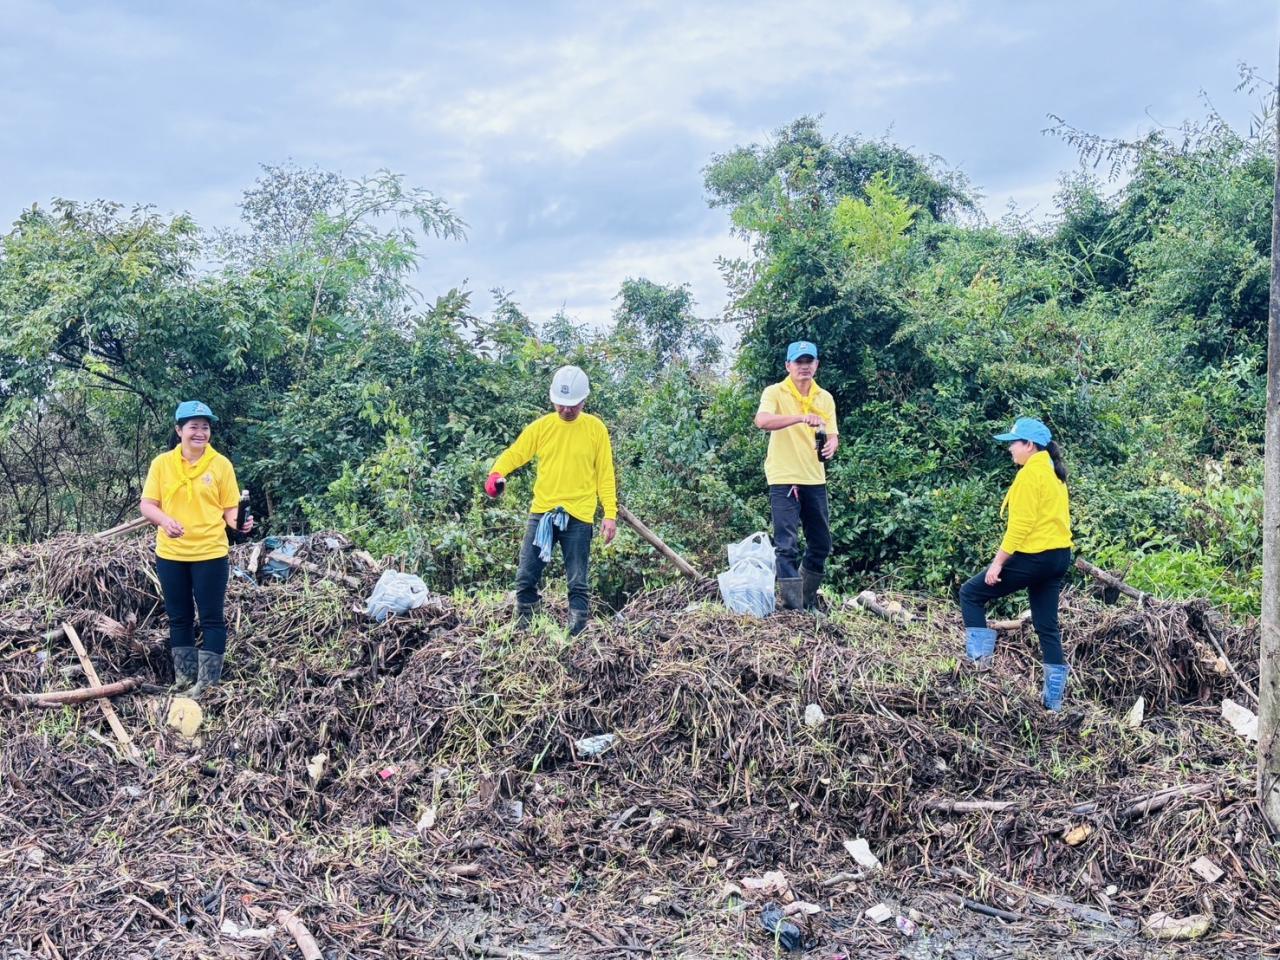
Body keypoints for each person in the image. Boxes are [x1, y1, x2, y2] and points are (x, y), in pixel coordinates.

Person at [484, 365, 618, 635]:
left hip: (579, 515)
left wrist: (610, 514)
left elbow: (605, 473)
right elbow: (516, 453)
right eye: (562, 404)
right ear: (553, 399)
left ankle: (576, 636)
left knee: (578, 583)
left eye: (573, 405)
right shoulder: (542, 427)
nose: (567, 410)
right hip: (543, 512)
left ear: (584, 400)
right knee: (525, 577)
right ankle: (526, 632)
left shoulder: (595, 429)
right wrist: (496, 473)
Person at [139, 401, 253, 697]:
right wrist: (165, 521)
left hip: (210, 553)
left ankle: (207, 684)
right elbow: (147, 505)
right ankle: (184, 679)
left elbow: (229, 508)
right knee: (179, 617)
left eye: (205, 427)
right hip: (171, 554)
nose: (200, 432)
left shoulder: (220, 465)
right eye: (193, 426)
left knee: (211, 617)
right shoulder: (161, 464)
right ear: (179, 430)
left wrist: (239, 522)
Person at [959, 417, 1073, 711]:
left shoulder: (1029, 476)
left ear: (1029, 445)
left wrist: (997, 564)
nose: (1010, 449)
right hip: (1059, 557)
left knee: (971, 593)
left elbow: (1020, 527)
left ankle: (979, 677)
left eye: (1014, 443)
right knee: (1047, 626)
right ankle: (1054, 703)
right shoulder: (1053, 473)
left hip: (1035, 556)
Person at [753, 340, 839, 611]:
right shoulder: (775, 392)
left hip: (814, 476)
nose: (804, 367)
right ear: (788, 365)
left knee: (821, 543)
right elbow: (762, 421)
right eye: (798, 362)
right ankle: (793, 607)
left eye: (809, 361)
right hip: (783, 476)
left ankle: (805, 598)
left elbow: (833, 434)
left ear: (816, 365)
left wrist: (832, 445)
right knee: (786, 544)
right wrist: (800, 417)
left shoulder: (824, 397)